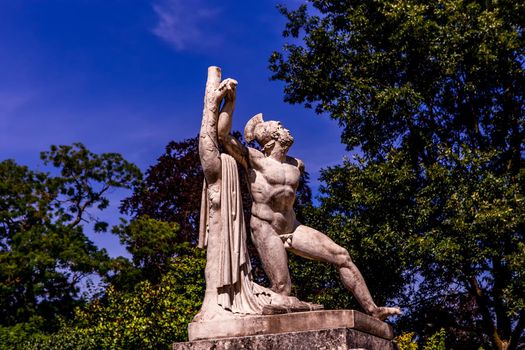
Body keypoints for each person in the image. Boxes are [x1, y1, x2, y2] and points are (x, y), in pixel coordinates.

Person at [217, 79, 401, 321]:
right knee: (283, 289)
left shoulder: (297, 165)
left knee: (341, 255)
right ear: (269, 138)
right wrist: (229, 101)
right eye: (279, 127)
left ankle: (372, 309)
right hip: (266, 227)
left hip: (293, 227)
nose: (286, 129)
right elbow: (222, 134)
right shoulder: (255, 159)